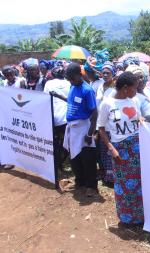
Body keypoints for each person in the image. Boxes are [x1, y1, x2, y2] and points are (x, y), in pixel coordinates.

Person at [97, 71, 143, 225]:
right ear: (125, 88)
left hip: (137, 148)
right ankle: (126, 218)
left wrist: (141, 120)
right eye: (134, 88)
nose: (136, 90)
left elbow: (139, 120)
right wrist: (111, 148)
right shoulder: (107, 104)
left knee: (139, 185)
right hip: (120, 150)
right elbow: (101, 128)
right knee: (124, 186)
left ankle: (140, 217)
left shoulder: (134, 101)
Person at [61, 63, 98, 196]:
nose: (70, 80)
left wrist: (90, 133)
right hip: (72, 128)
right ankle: (80, 182)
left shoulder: (87, 90)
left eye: (71, 78)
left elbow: (94, 113)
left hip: (83, 128)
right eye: (68, 78)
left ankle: (91, 186)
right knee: (74, 158)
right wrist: (58, 97)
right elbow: (73, 102)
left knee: (87, 158)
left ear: (79, 74)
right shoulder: (73, 86)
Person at [43, 65, 70, 172]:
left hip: (54, 117)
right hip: (67, 118)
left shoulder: (49, 83)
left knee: (57, 141)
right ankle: (64, 161)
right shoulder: (69, 83)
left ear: (53, 74)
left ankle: (58, 164)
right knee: (67, 141)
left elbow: (45, 98)